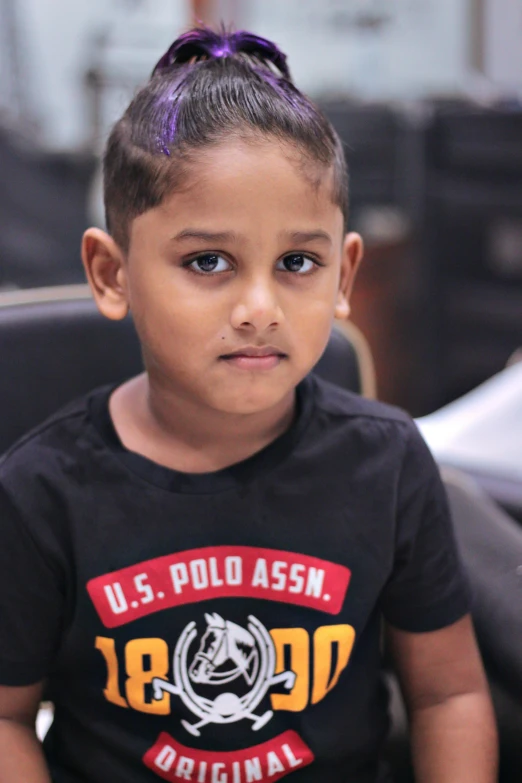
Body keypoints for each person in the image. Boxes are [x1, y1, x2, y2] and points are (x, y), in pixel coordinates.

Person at [0, 25, 497, 783]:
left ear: (342, 275)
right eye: (208, 261)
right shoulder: (40, 491)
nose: (259, 306)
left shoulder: (389, 463)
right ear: (111, 272)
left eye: (298, 262)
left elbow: (449, 694)